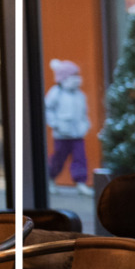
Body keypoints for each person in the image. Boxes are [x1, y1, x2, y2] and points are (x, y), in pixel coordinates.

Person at [44, 59, 92, 195]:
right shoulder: (56, 93)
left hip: (77, 134)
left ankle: (80, 183)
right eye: (73, 75)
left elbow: (84, 113)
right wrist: (56, 124)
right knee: (58, 159)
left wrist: (85, 125)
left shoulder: (80, 95)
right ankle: (50, 179)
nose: (76, 78)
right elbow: (48, 109)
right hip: (62, 135)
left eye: (77, 75)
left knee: (80, 158)